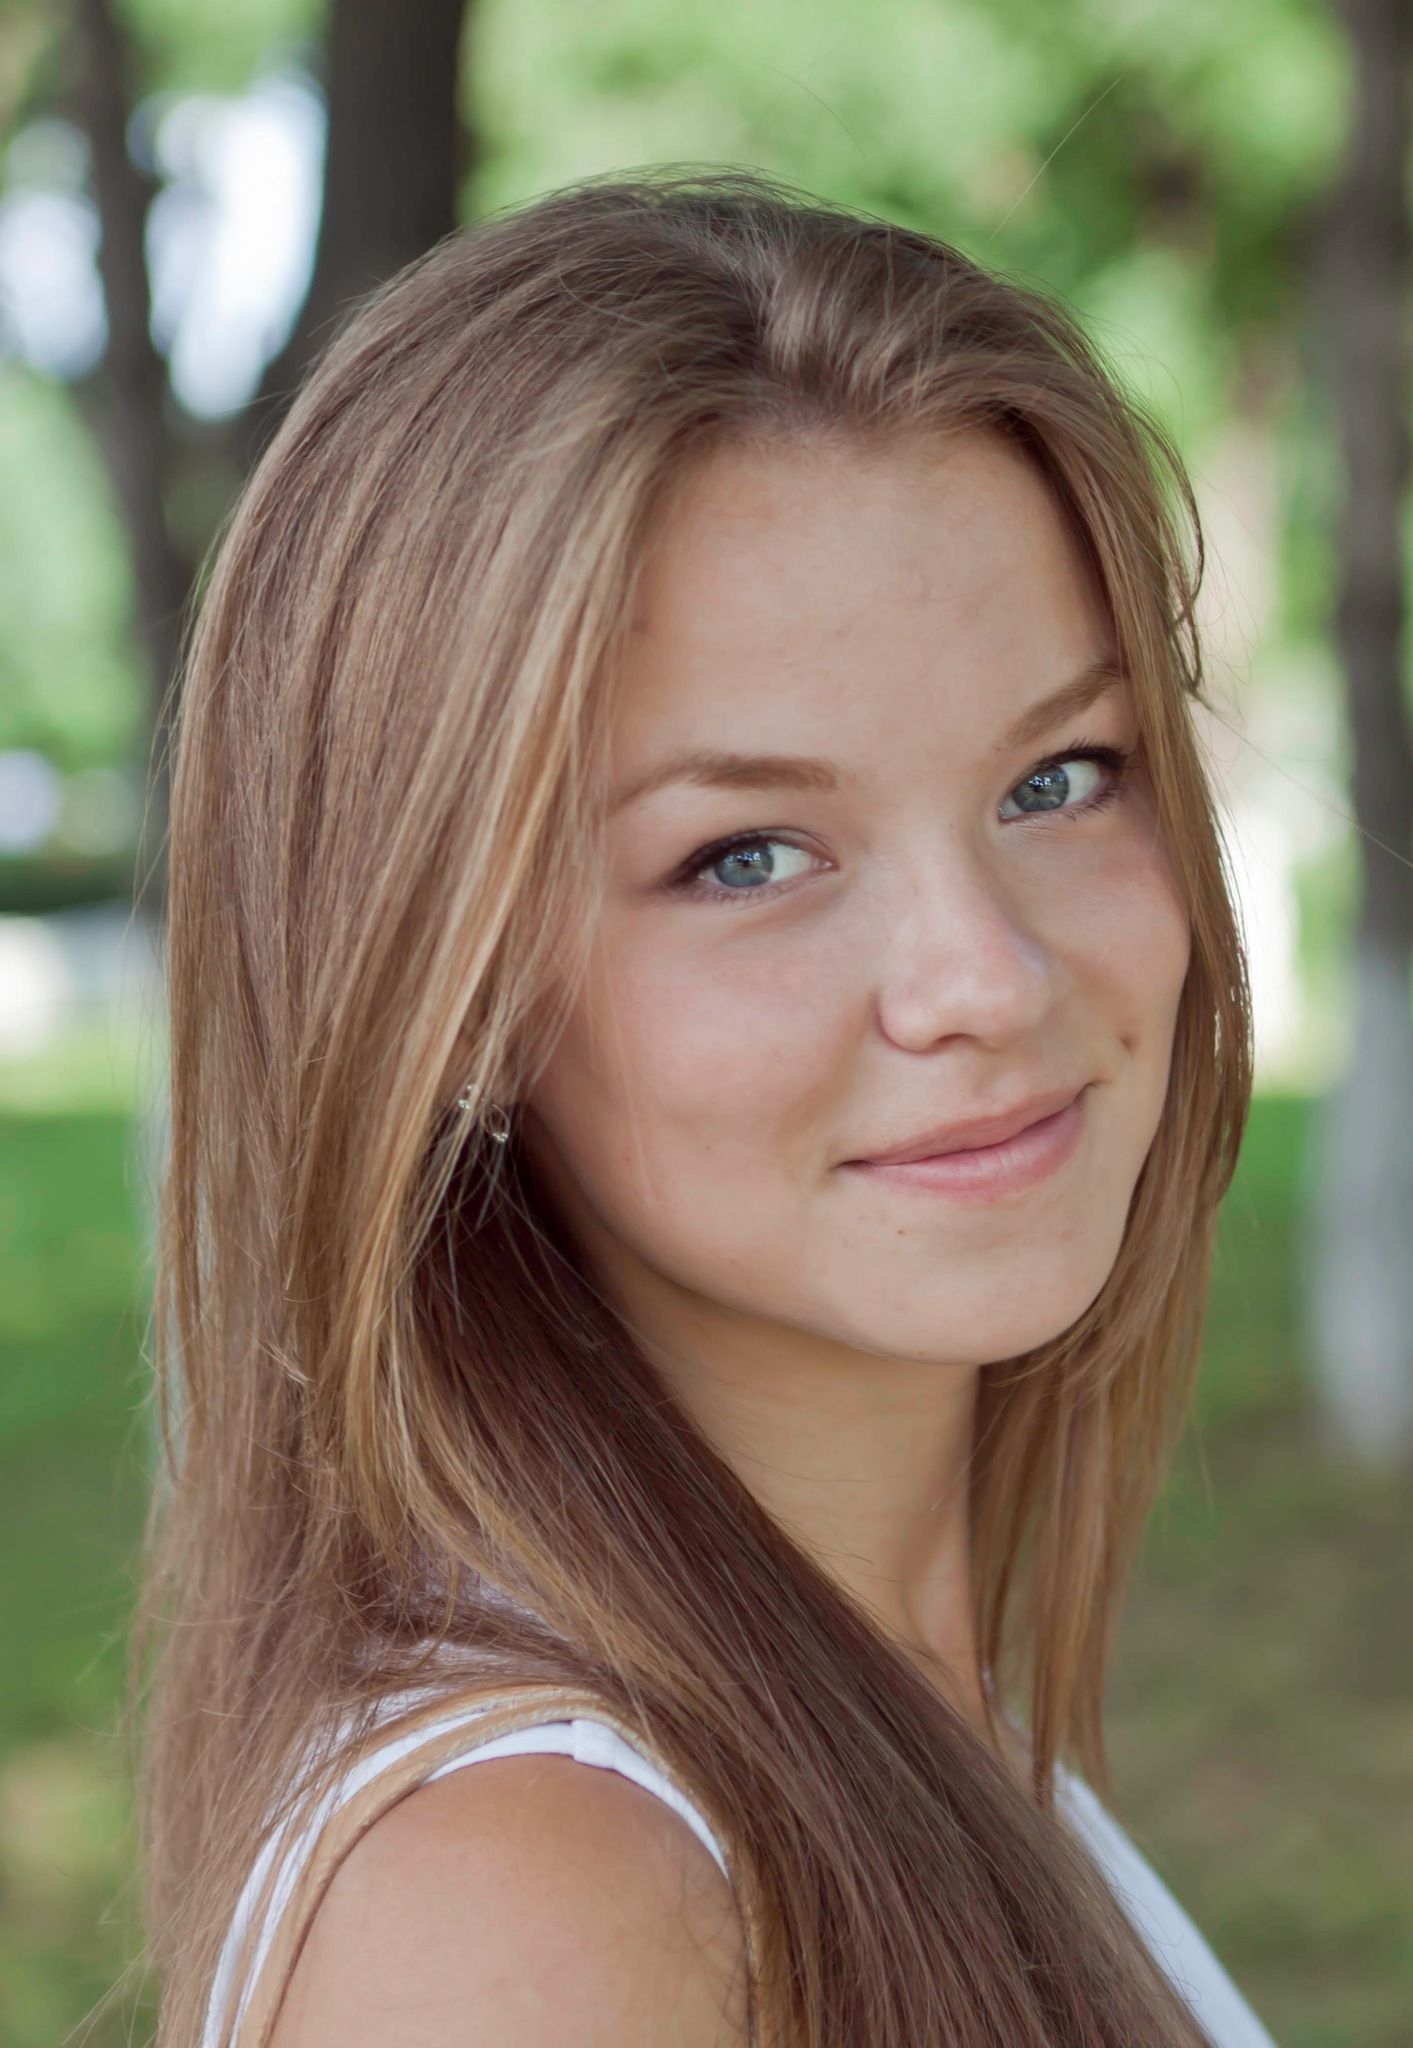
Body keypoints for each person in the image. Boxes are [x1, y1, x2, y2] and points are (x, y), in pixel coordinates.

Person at [131, 164, 1274, 2047]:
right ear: (447, 988)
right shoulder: (533, 1908)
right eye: (744, 855)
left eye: (1059, 777)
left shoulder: (873, 1699)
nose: (985, 978)